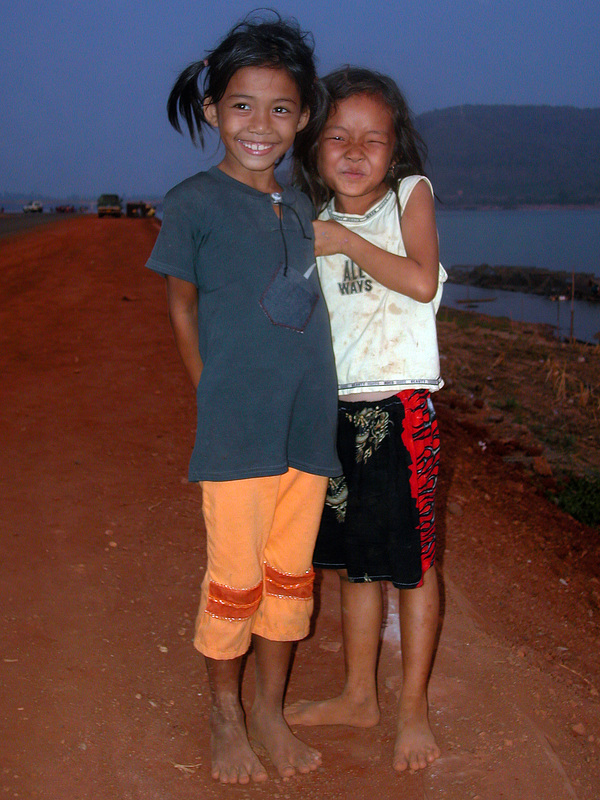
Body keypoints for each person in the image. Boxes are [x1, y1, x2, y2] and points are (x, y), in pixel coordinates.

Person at [145, 14, 341, 784]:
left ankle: (269, 709)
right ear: (211, 110)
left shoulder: (299, 208)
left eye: (281, 109)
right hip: (238, 432)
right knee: (235, 579)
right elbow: (182, 308)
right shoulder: (191, 201)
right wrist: (210, 393)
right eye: (241, 105)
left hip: (307, 430)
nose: (260, 125)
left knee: (291, 578)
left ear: (301, 118)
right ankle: (226, 717)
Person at [286, 66, 446, 773]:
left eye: (372, 140)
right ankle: (359, 695)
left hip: (402, 406)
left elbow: (418, 279)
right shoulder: (308, 221)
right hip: (339, 412)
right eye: (337, 138)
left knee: (410, 567)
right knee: (355, 565)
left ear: (395, 149)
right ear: (314, 147)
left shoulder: (409, 196)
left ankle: (411, 709)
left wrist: (345, 242)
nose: (354, 152)